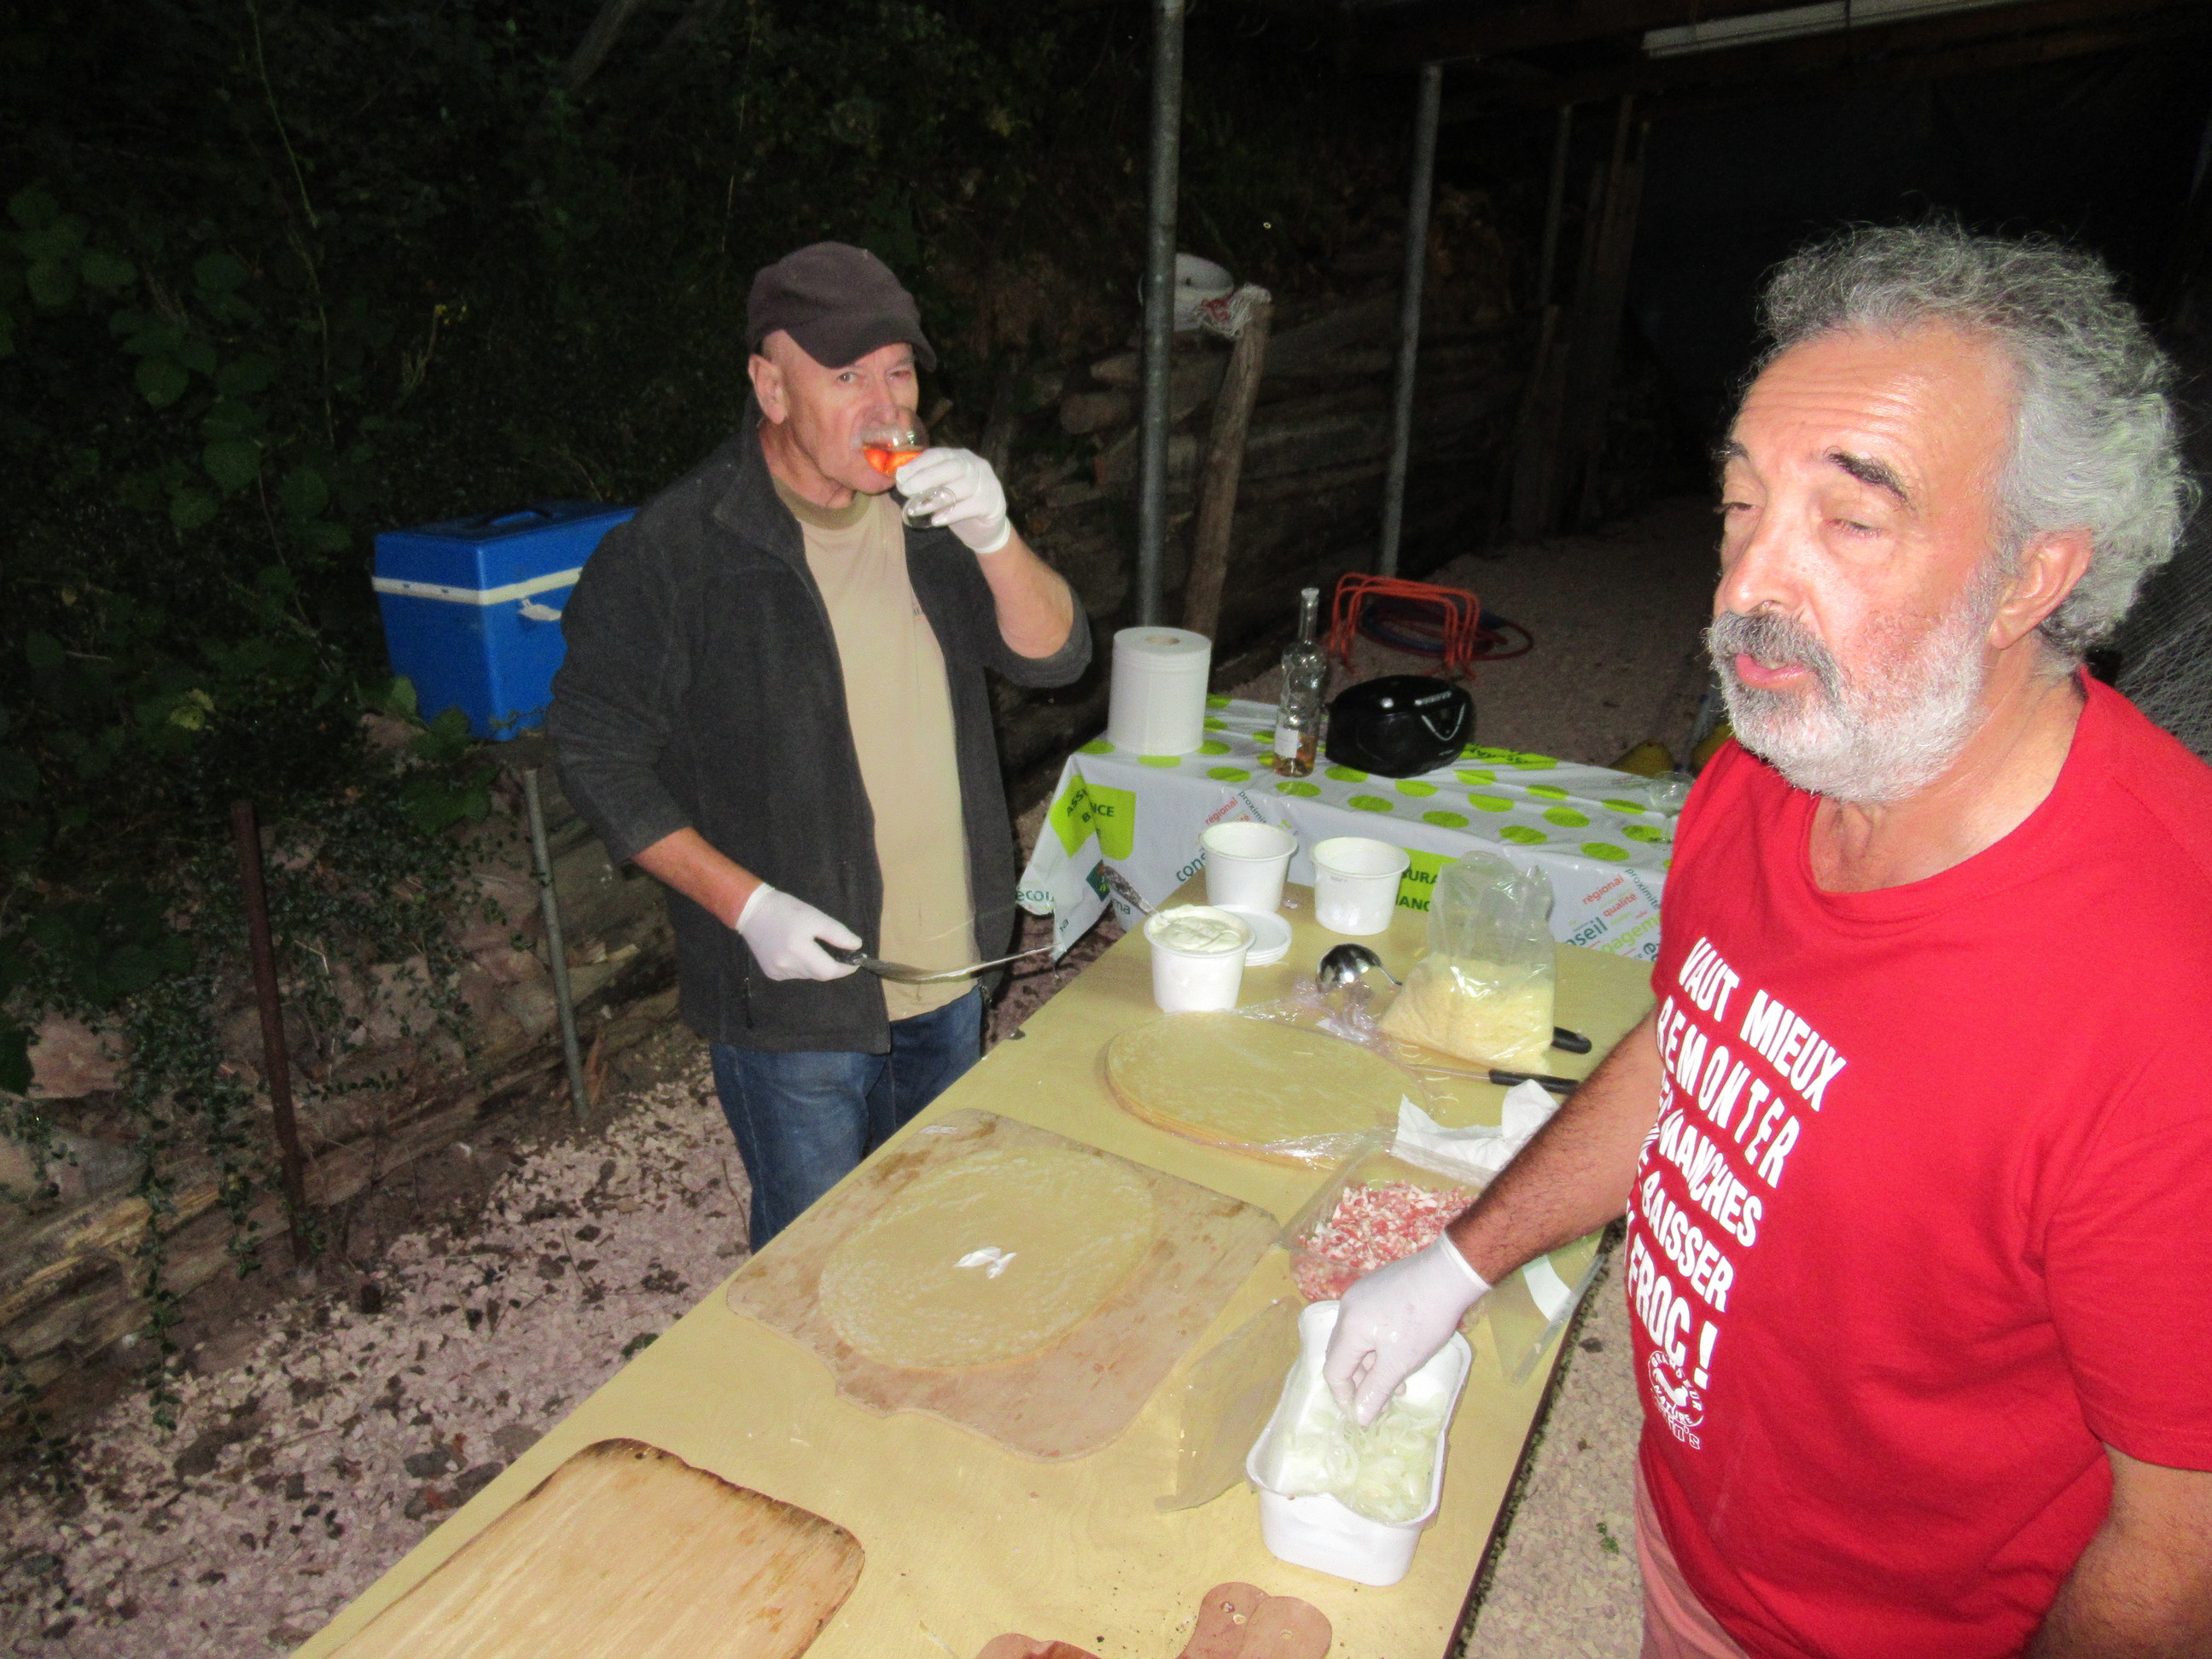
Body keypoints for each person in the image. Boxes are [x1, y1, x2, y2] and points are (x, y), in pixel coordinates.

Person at [1324, 224, 2212, 1658]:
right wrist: (1456, 1261)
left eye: (1850, 519)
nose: (1748, 586)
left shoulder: (2167, 1000)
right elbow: (1698, 1044)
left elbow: (2180, 1550)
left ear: (2029, 578)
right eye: (1742, 504)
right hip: (1693, 1548)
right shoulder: (1772, 769)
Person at [550, 242, 1087, 1249]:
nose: (887, 407)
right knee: (814, 1262)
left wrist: (995, 534)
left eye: (899, 371)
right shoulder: (677, 550)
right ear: (770, 387)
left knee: (932, 1230)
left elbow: (1055, 655)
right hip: (797, 1003)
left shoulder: (928, 511)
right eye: (846, 376)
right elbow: (591, 750)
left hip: (951, 968)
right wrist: (746, 907)